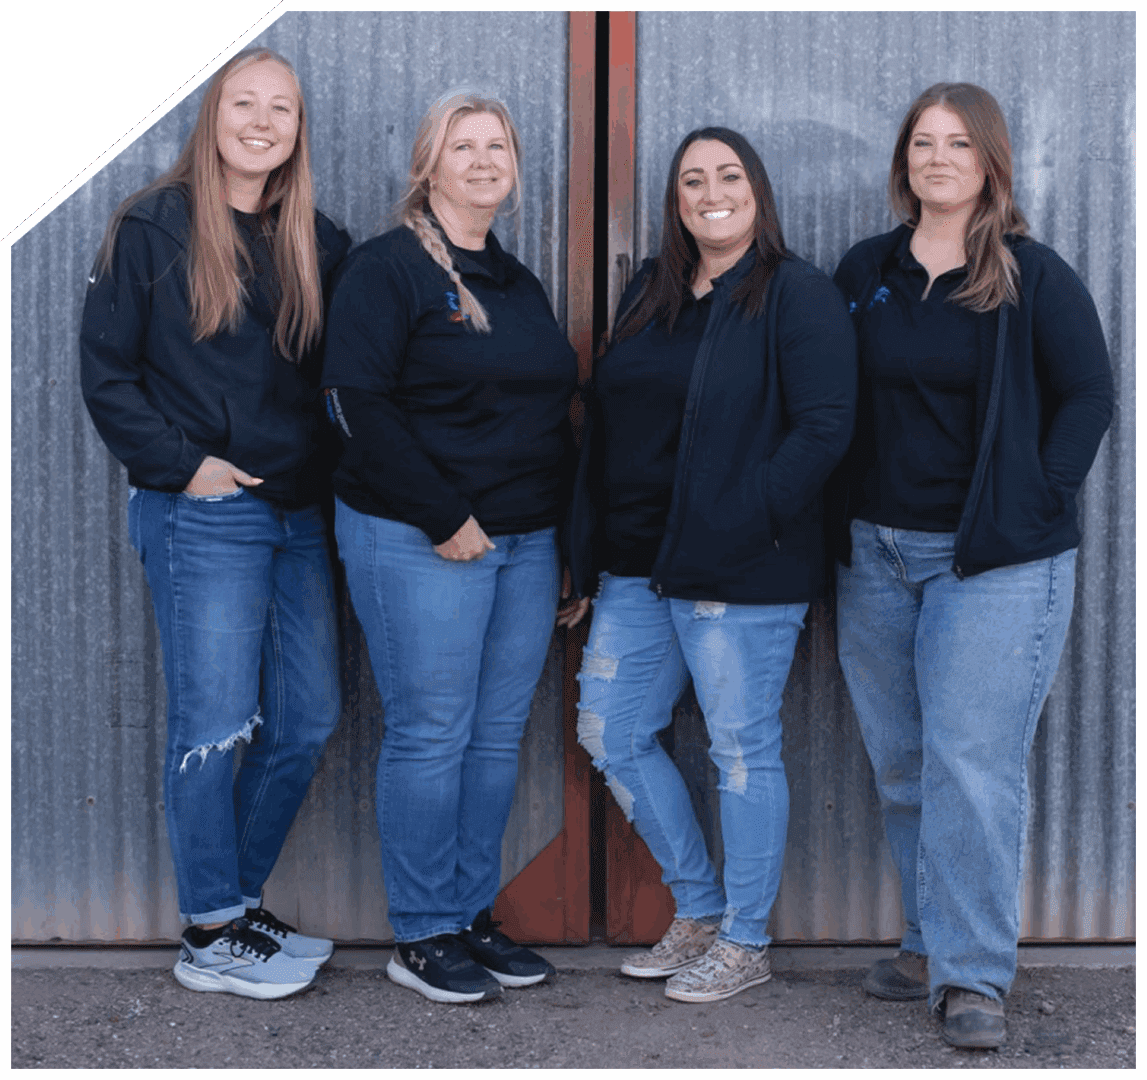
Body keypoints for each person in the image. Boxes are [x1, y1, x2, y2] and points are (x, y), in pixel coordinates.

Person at [831, 83, 1114, 1049]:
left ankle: (971, 976)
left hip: (991, 560)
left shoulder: (1032, 274)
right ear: (903, 160)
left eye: (957, 143)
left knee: (970, 764)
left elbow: (1088, 394)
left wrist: (1040, 497)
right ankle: (926, 938)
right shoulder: (865, 269)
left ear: (989, 159)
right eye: (922, 142)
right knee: (905, 762)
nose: (937, 158)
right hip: (875, 553)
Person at [80, 47, 351, 1000]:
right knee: (215, 723)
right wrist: (185, 469)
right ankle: (209, 929)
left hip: (297, 516)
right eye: (245, 102)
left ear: (297, 128)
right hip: (204, 511)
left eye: (282, 107)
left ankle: (233, 899)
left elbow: (341, 386)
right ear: (212, 115)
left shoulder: (318, 239)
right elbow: (106, 374)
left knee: (308, 716)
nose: (263, 121)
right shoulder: (150, 227)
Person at [567, 127, 856, 1004]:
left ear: (757, 190)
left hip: (740, 571)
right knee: (610, 732)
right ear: (675, 200)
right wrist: (584, 554)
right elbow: (610, 430)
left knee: (738, 750)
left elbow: (824, 427)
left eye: (728, 175)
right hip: (637, 569)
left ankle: (745, 938)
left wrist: (742, 519)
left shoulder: (795, 295)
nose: (710, 193)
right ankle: (696, 907)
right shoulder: (649, 291)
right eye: (691, 180)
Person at [321, 89, 581, 1005]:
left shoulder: (514, 279)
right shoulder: (386, 269)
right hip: (417, 537)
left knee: (495, 737)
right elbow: (355, 402)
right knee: (432, 732)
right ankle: (421, 929)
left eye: (496, 146)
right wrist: (443, 516)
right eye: (461, 146)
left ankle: (468, 914)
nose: (481, 161)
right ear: (427, 166)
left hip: (523, 543)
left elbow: (549, 416)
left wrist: (565, 546)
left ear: (514, 166)